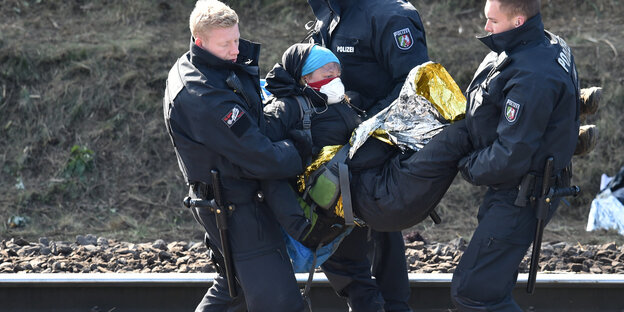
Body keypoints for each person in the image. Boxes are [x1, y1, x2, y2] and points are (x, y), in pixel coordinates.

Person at [162, 1, 309, 311]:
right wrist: (300, 149)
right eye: (225, 43)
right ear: (199, 42)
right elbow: (261, 156)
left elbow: (252, 123)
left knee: (235, 289)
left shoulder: (200, 66)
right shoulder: (204, 95)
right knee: (281, 304)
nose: (235, 49)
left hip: (227, 199)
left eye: (236, 39)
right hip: (237, 209)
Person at [450, 0, 581, 310]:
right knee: (490, 286)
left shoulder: (532, 76)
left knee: (473, 292)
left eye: (492, 21)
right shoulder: (536, 45)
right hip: (519, 188)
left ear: (518, 20)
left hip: (521, 195)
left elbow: (511, 154)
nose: (486, 28)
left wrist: (467, 165)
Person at [304, 1, 430, 310]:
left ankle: (374, 303)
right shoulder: (328, 9)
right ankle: (387, 304)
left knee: (338, 225)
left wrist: (363, 125)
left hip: (377, 140)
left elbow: (415, 85)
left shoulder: (390, 15)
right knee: (374, 226)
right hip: (339, 139)